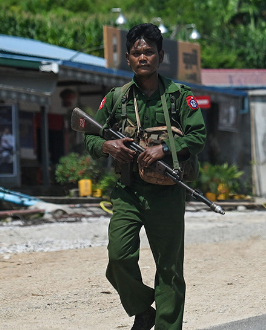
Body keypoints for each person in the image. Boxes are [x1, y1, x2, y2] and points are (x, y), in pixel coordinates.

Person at [84, 23, 206, 330]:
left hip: (167, 192)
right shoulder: (116, 99)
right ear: (127, 58)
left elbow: (198, 136)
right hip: (128, 191)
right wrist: (108, 145)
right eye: (137, 52)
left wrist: (163, 149)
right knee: (119, 257)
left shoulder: (179, 96)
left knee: (169, 269)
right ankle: (142, 308)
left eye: (149, 52)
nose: (143, 57)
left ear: (160, 56)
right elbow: (89, 135)